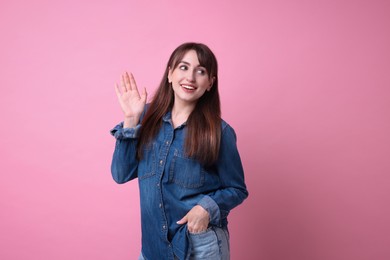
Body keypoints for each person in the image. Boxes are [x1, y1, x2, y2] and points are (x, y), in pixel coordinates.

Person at [110, 42, 248, 260]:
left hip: (200, 247)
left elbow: (237, 189)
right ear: (170, 74)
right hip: (153, 249)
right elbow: (121, 174)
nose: (190, 77)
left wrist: (206, 208)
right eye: (183, 67)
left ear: (210, 83)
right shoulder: (145, 119)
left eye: (200, 71)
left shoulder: (220, 132)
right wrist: (130, 120)